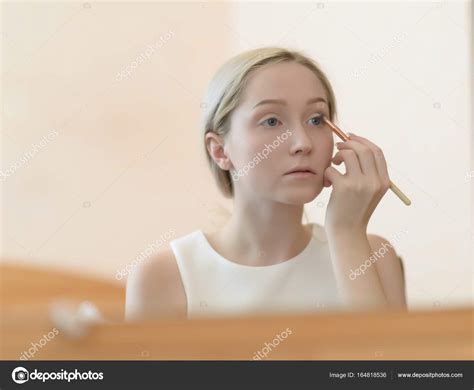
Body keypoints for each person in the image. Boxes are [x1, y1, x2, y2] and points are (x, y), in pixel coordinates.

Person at [125, 47, 407, 321]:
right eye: (271, 121)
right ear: (220, 150)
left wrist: (347, 233)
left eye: (316, 119)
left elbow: (379, 369)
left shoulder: (375, 258)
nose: (302, 143)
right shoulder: (166, 276)